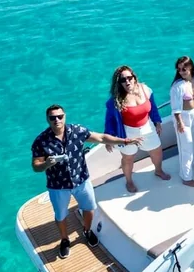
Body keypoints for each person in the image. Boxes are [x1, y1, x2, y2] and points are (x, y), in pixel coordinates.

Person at [31, 104, 141, 260]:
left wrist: (124, 141)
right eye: (53, 118)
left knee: (89, 208)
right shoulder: (41, 141)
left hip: (81, 181)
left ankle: (87, 231)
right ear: (47, 120)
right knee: (61, 215)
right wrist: (46, 164)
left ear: (65, 116)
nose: (57, 120)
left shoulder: (77, 131)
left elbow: (101, 138)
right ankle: (64, 239)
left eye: (60, 116)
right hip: (58, 186)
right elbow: (36, 166)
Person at [104, 65, 170, 193]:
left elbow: (153, 107)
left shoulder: (145, 90)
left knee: (156, 151)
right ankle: (129, 181)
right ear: (119, 83)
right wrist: (108, 139)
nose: (127, 81)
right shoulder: (115, 100)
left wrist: (157, 121)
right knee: (128, 158)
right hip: (127, 133)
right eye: (123, 80)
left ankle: (158, 170)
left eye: (129, 78)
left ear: (134, 78)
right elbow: (110, 120)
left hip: (147, 127)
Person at [171, 56, 194, 187]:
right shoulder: (177, 86)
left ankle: (192, 162)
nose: (181, 71)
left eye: (184, 68)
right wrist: (179, 122)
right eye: (179, 69)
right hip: (183, 118)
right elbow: (175, 107)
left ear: (190, 67)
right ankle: (186, 177)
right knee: (186, 147)